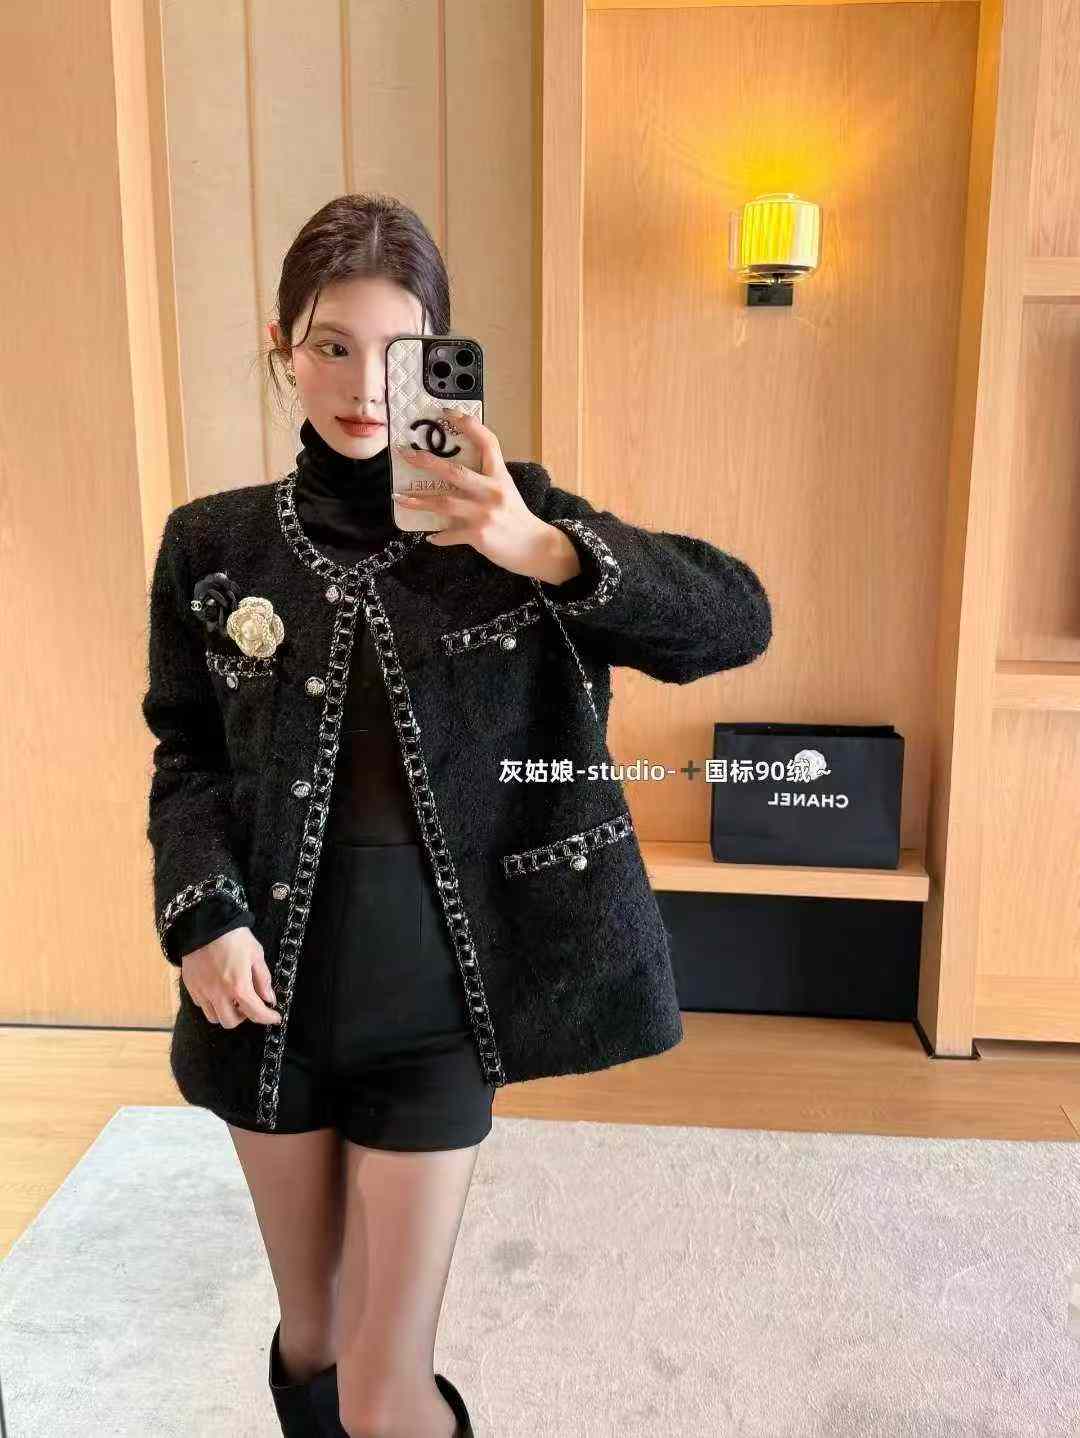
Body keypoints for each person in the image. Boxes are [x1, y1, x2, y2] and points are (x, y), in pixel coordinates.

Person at [145, 192, 772, 1438]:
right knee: (314, 1341)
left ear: (440, 355)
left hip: (439, 997)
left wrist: (543, 548)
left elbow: (735, 619)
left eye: (397, 352)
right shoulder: (213, 543)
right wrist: (200, 914)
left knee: (386, 1390)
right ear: (282, 347)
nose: (362, 386)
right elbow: (188, 756)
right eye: (331, 345)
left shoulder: (511, 517)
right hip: (263, 998)